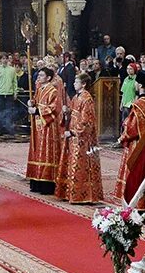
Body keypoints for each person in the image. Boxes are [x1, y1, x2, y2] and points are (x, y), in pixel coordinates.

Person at [112, 72, 145, 203]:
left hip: (137, 145)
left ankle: (134, 203)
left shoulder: (139, 104)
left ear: (140, 85)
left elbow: (131, 128)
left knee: (134, 173)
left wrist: (122, 136)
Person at [56, 72, 103, 204]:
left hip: (83, 139)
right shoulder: (76, 97)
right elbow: (71, 113)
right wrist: (67, 112)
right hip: (74, 137)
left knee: (81, 165)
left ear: (83, 84)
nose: (73, 84)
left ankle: (83, 195)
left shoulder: (87, 99)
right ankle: (71, 193)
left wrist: (72, 132)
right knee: (72, 163)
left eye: (76, 82)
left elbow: (87, 122)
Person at [26, 66, 63, 194]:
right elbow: (37, 102)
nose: (39, 77)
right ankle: (36, 181)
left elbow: (54, 108)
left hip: (48, 126)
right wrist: (32, 103)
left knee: (45, 152)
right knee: (36, 151)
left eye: (41, 75)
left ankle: (46, 184)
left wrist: (36, 110)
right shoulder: (39, 89)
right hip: (37, 125)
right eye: (38, 75)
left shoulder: (53, 91)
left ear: (48, 78)